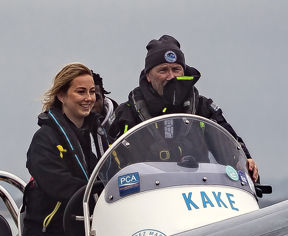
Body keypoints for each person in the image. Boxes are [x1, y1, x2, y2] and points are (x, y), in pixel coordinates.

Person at [108, 35, 259, 182]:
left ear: (184, 71)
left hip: (200, 194)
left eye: (176, 69)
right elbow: (109, 168)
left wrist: (245, 162)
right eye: (163, 70)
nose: (171, 76)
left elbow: (229, 145)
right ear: (148, 75)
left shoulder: (202, 107)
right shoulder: (126, 113)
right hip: (145, 197)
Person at [19, 63, 108, 236]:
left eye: (92, 92)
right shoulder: (44, 140)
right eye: (80, 91)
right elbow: (59, 185)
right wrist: (100, 195)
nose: (88, 98)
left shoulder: (94, 138)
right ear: (61, 95)